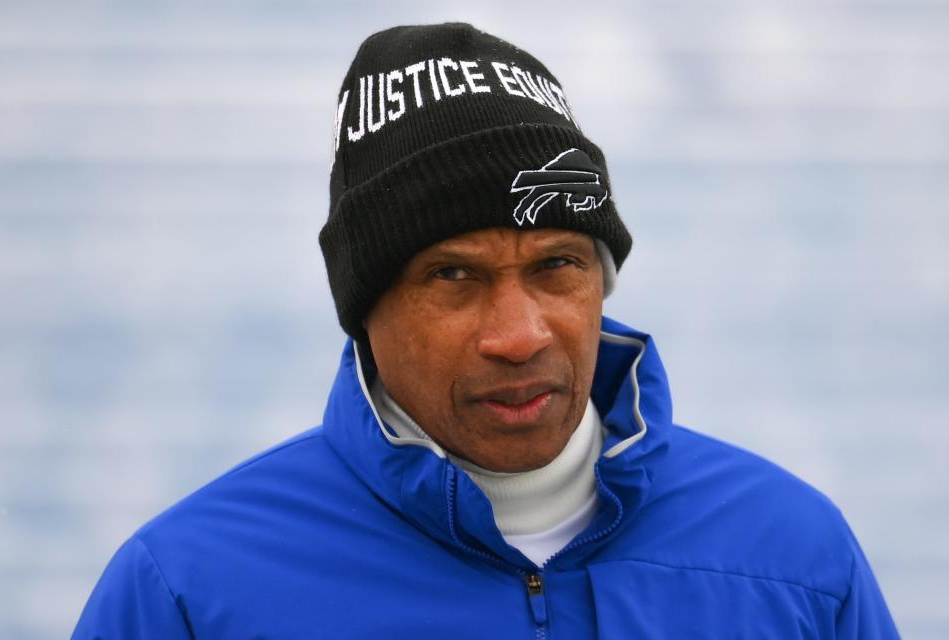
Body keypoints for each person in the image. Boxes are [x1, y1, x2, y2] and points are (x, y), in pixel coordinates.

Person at [73, 22, 899, 639]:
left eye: (557, 267)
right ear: (367, 308)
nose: (519, 334)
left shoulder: (794, 559)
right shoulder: (186, 593)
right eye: (453, 276)